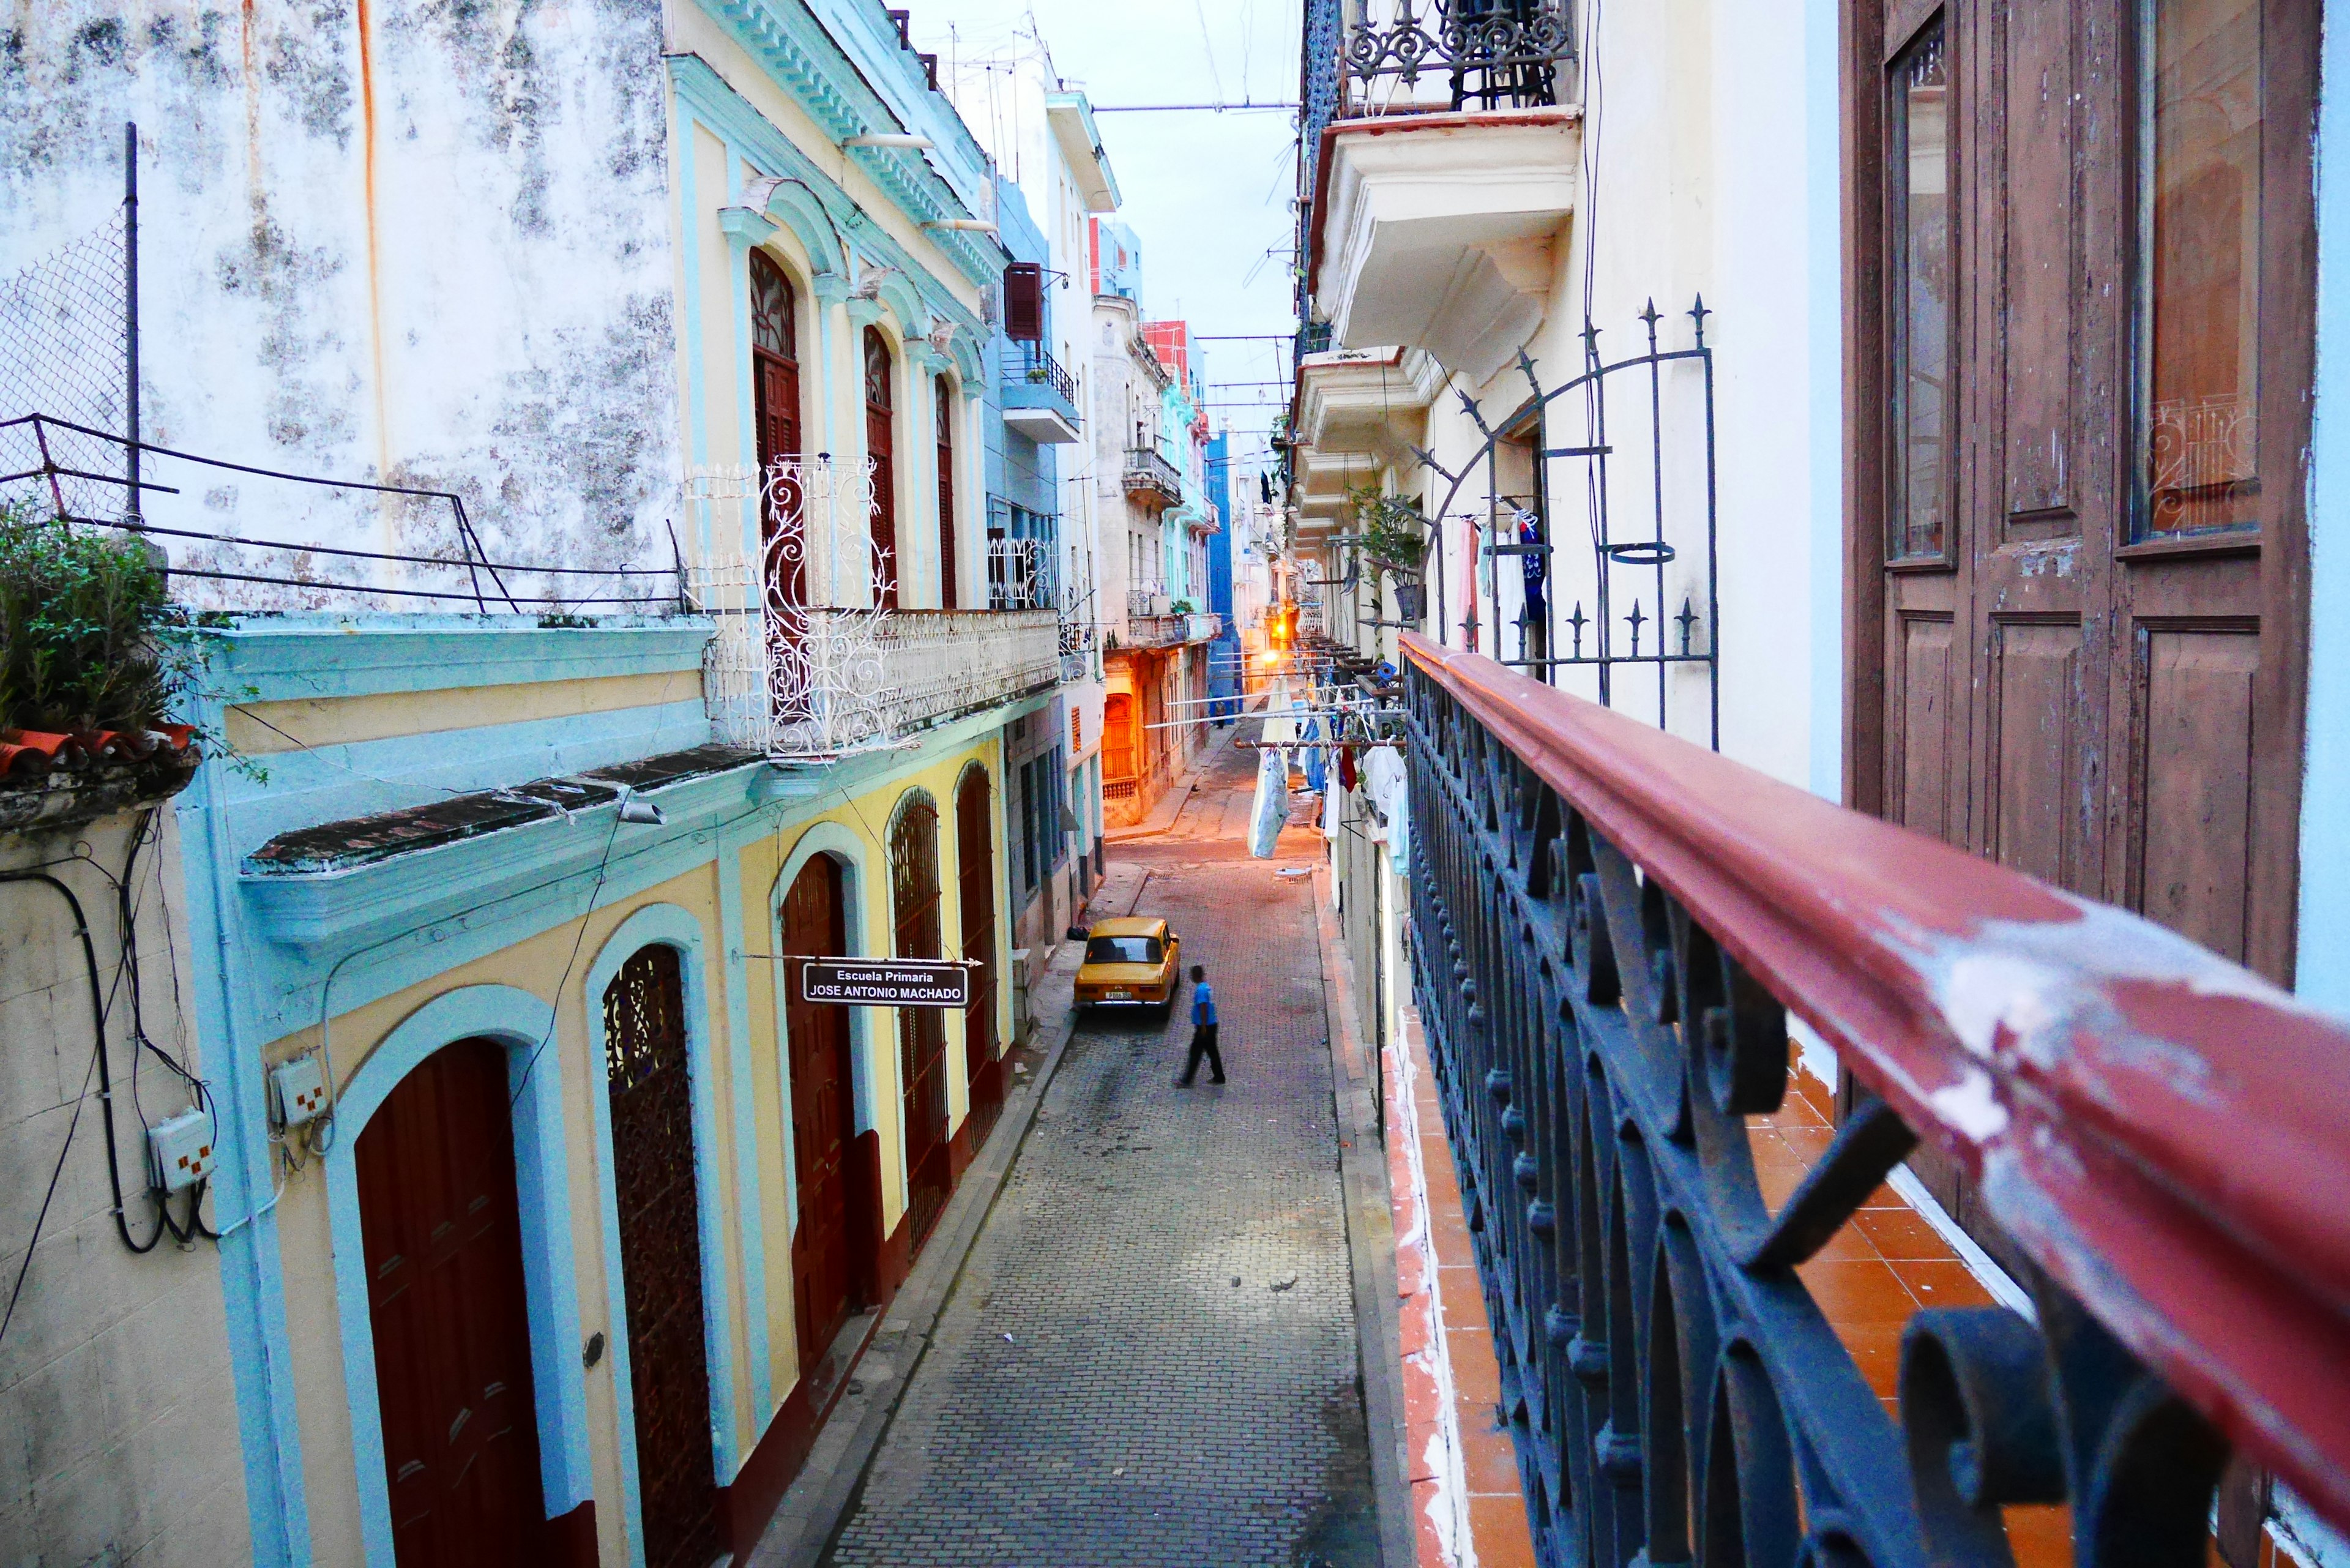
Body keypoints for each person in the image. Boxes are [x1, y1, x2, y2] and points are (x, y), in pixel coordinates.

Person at [1178, 964, 1225, 1085]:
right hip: (1211, 1025)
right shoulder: (1206, 987)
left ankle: (1187, 1080)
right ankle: (1219, 1077)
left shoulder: (1201, 990)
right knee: (1212, 1052)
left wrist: (1203, 1027)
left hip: (1205, 1027)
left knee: (1196, 1052)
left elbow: (1203, 1008)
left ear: (1195, 976)